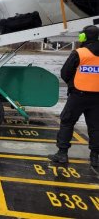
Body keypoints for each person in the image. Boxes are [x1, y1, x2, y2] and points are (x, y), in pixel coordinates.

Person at [48, 25, 99, 168]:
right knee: (95, 127)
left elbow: (65, 73)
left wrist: (73, 84)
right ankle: (95, 158)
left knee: (67, 122)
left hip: (79, 95)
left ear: (83, 37)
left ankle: (62, 154)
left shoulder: (80, 53)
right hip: (97, 97)